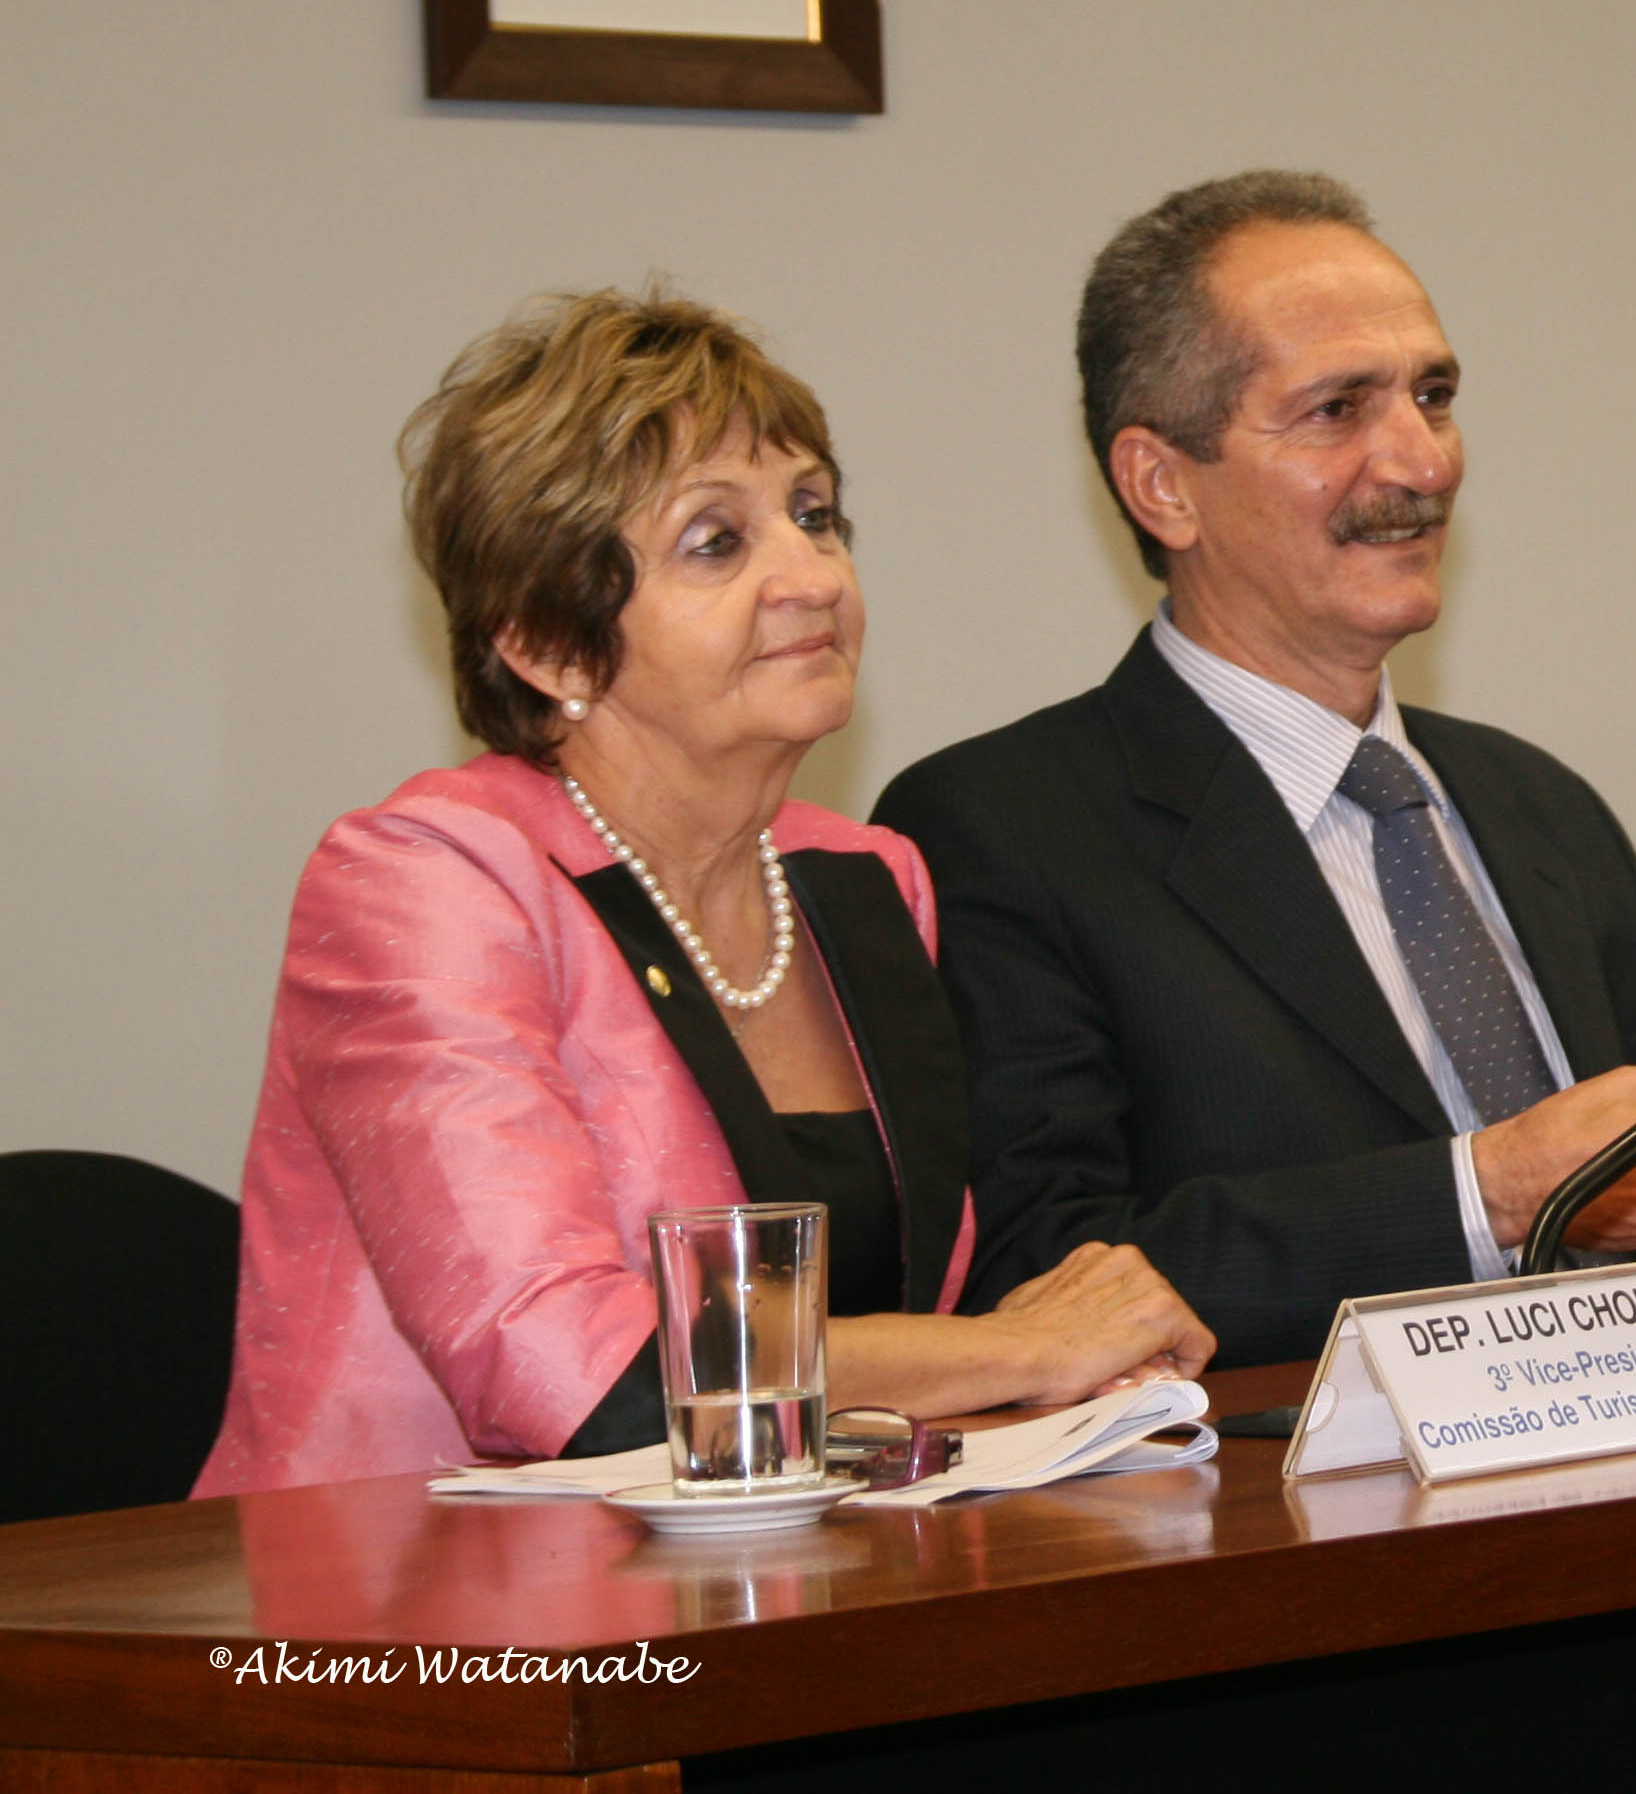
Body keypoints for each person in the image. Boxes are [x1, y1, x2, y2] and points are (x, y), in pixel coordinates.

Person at [873, 173, 1636, 1367]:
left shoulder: (1542, 808)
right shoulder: (1000, 830)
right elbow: (1040, 1272)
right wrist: (1492, 1191)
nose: (1424, 462)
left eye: (1434, 395)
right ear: (1163, 483)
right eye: (1337, 409)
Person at [199, 292, 1206, 1496]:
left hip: (804, 1562)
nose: (811, 577)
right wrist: (1018, 1350)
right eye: (716, 542)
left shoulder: (868, 878)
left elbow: (915, 1319)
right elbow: (574, 1378)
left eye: (815, 515)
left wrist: (1088, 1349)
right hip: (422, 1586)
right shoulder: (428, 882)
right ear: (547, 642)